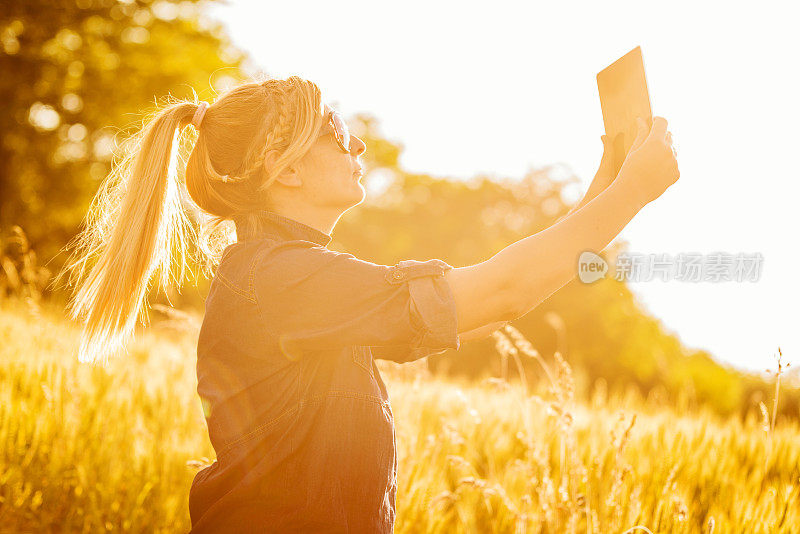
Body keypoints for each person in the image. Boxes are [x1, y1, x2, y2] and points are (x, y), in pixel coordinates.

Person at [54, 75, 678, 532]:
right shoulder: (285, 280)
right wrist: (632, 193)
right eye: (335, 133)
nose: (356, 146)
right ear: (285, 172)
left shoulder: (291, 277)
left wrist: (610, 183)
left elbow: (494, 306)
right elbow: (500, 289)